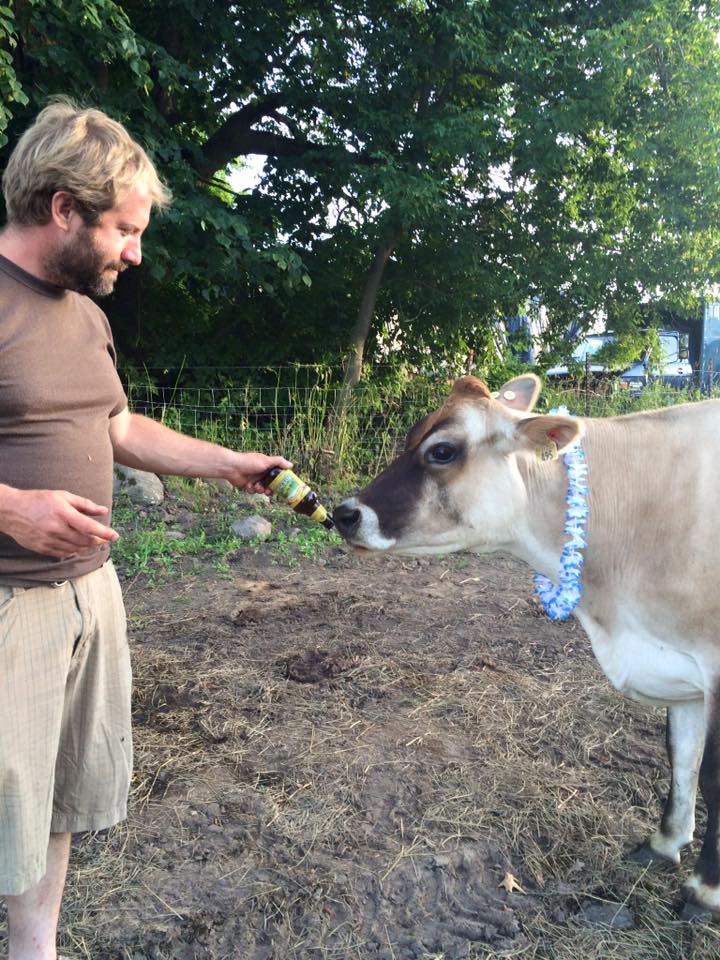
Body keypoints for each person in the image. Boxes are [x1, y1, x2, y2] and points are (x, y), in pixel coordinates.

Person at [0, 98, 292, 960]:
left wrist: (225, 461)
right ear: (63, 208)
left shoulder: (85, 314)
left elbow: (119, 428)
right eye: (125, 229)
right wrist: (12, 506)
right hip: (8, 605)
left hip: (91, 597)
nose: (137, 251)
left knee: (59, 798)